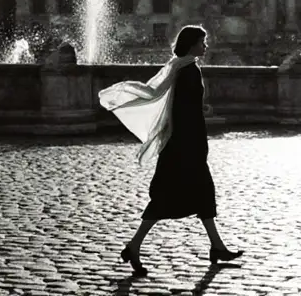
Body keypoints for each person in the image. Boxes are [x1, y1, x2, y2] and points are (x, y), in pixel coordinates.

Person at [99, 26, 242, 277]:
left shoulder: (181, 66)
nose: (206, 46)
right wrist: (197, 139)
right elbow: (187, 111)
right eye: (202, 42)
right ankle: (134, 246)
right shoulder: (188, 70)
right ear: (192, 44)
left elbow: (183, 106)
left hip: (182, 141)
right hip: (185, 144)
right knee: (170, 196)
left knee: (200, 193)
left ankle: (216, 246)